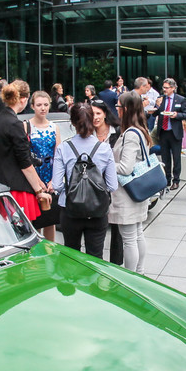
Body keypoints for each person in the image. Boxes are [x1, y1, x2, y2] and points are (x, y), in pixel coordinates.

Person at [51, 102, 117, 258]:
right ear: (92, 120)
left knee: (72, 256)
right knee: (95, 257)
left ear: (72, 123)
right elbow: (112, 185)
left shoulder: (63, 148)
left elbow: (57, 185)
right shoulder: (104, 148)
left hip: (70, 210)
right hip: (97, 211)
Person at [0, 80, 51, 226]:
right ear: (23, 99)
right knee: (23, 233)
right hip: (17, 190)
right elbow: (25, 163)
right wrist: (38, 190)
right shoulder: (15, 124)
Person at [109, 91, 152, 272]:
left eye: (118, 106)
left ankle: (132, 275)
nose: (116, 109)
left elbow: (126, 168)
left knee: (129, 238)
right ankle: (139, 273)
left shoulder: (131, 134)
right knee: (137, 234)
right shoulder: (141, 130)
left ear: (125, 109)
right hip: (138, 191)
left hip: (127, 193)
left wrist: (107, 164)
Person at [90, 98, 123, 265]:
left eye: (98, 113)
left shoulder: (117, 132)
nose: (95, 117)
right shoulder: (87, 133)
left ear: (105, 114)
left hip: (115, 183)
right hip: (94, 184)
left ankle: (116, 264)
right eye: (92, 114)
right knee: (97, 227)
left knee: (117, 226)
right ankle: (98, 263)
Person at [26, 91, 61, 241]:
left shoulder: (54, 127)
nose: (43, 108)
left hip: (50, 177)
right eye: (39, 105)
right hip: (33, 178)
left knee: (50, 220)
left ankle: (50, 250)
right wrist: (38, 182)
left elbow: (58, 156)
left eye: (46, 105)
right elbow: (25, 157)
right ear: (32, 106)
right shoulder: (26, 126)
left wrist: (54, 180)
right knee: (35, 220)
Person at [154, 78, 186, 190]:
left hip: (175, 133)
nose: (164, 90)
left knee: (176, 157)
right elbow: (156, 113)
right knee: (165, 158)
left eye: (167, 88)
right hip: (163, 132)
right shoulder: (161, 99)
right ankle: (167, 179)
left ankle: (176, 180)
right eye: (163, 87)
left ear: (173, 88)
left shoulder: (180, 99)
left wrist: (176, 115)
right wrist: (157, 106)